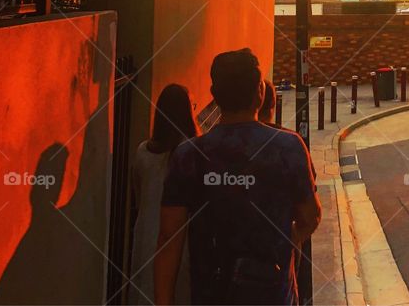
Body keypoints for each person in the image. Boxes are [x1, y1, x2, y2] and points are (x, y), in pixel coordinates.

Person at [154, 49, 321, 306]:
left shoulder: (188, 156)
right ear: (260, 92)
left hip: (211, 294)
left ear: (215, 94)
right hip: (272, 294)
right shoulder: (288, 148)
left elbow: (169, 238)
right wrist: (287, 237)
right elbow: (310, 217)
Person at [130, 84, 197, 305]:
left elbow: (138, 197)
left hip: (147, 232)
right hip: (181, 239)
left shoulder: (143, 153)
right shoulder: (193, 154)